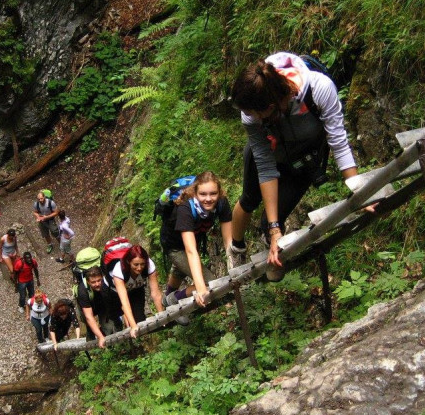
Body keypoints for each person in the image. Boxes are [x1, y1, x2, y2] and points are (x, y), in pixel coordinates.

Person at [228, 52, 374, 280]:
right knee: (250, 199)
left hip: (303, 159)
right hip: (267, 154)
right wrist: (275, 229)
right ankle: (236, 249)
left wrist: (359, 190)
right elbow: (265, 167)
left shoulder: (319, 89)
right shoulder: (251, 115)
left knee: (268, 224)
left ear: (269, 107)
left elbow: (338, 141)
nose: (246, 116)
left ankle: (269, 266)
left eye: (250, 112)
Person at [160, 171, 233, 308]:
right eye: (203, 194)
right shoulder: (185, 208)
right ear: (195, 193)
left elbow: (229, 242)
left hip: (195, 237)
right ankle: (172, 299)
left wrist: (234, 269)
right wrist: (200, 288)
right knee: (211, 283)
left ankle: (168, 299)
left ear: (219, 192)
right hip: (174, 246)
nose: (208, 199)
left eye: (213, 194)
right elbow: (191, 251)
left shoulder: (222, 203)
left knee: (181, 269)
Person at [109, 245, 164, 338]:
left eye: (142, 264)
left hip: (136, 288)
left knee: (140, 321)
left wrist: (161, 315)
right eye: (136, 264)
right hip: (115, 292)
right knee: (122, 318)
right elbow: (124, 302)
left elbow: (155, 293)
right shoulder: (119, 270)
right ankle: (120, 323)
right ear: (128, 262)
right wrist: (133, 326)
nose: (139, 268)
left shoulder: (149, 265)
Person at [75, 266, 124, 349]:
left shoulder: (107, 283)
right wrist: (100, 337)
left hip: (102, 306)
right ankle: (91, 341)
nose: (97, 284)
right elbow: (89, 316)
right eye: (93, 282)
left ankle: (113, 348)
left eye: (99, 280)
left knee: (108, 329)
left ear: (103, 277)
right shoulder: (82, 291)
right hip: (86, 309)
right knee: (89, 326)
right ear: (88, 282)